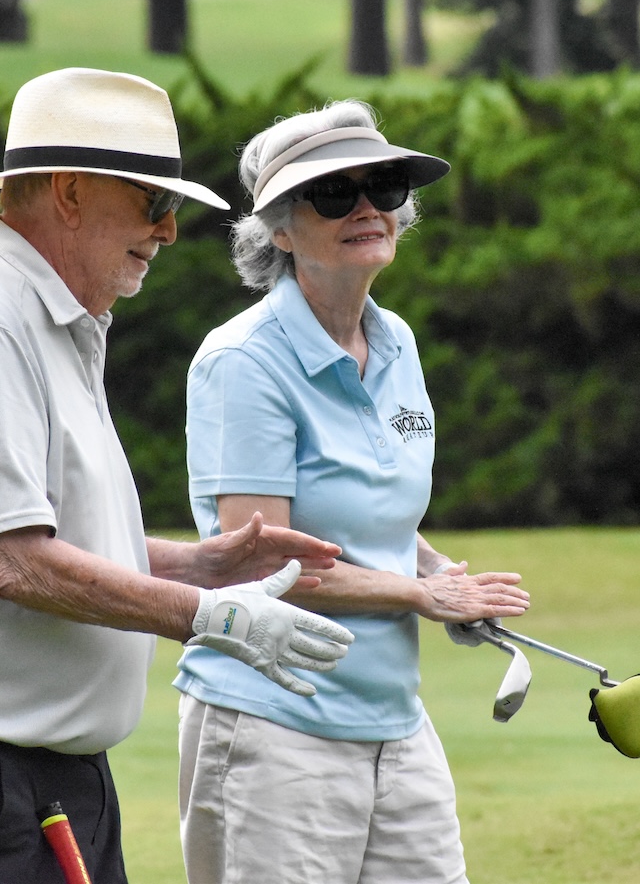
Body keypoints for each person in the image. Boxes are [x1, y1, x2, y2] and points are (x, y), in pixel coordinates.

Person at [0, 68, 355, 884]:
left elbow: (48, 533)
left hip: (38, 769)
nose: (169, 230)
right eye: (154, 202)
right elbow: (14, 561)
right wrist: (211, 616)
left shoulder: (51, 316)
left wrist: (200, 565)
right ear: (70, 192)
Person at [175, 101, 531, 884]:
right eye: (335, 193)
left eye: (385, 187)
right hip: (272, 727)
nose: (368, 207)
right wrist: (418, 595)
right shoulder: (243, 362)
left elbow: (382, 515)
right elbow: (260, 564)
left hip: (394, 722)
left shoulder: (396, 340)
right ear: (279, 230)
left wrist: (441, 576)